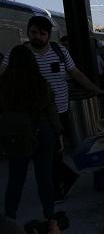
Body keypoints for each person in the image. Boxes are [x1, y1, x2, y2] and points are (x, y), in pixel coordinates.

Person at [0, 16, 104, 204]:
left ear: (49, 35)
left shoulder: (60, 51)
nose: (38, 37)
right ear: (27, 32)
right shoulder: (18, 54)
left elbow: (76, 73)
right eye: (34, 32)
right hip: (31, 114)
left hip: (59, 109)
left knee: (52, 151)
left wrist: (95, 89)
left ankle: (58, 184)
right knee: (46, 151)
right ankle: (60, 183)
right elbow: (3, 75)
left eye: (42, 34)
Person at [0, 46, 61, 220]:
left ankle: (10, 218)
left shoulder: (3, 85)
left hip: (16, 136)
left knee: (15, 179)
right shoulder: (40, 83)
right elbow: (51, 112)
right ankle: (50, 216)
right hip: (42, 132)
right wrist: (58, 133)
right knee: (44, 178)